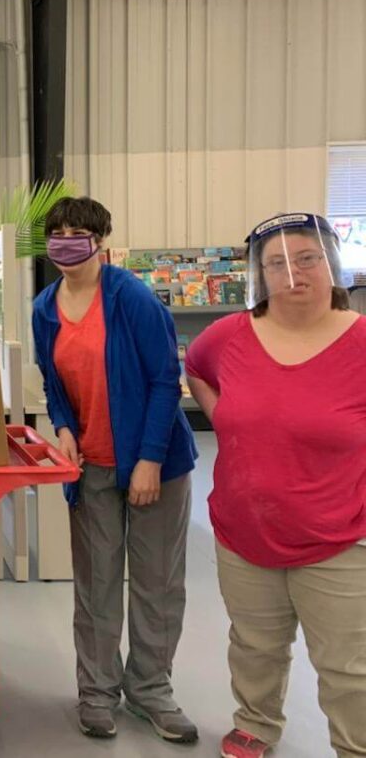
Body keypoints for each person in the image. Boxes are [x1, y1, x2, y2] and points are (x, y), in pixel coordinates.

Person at [185, 213, 365, 758]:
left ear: (331, 263)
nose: (294, 274)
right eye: (277, 263)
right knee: (255, 645)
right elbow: (195, 367)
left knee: (347, 664)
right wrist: (227, 419)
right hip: (244, 530)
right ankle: (256, 724)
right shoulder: (229, 336)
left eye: (308, 258)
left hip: (338, 536)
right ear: (259, 274)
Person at [31, 197, 198, 744]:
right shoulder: (44, 307)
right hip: (91, 467)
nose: (65, 241)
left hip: (156, 464)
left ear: (100, 240)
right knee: (96, 584)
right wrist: (62, 430)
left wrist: (149, 459)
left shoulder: (130, 297)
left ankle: (151, 690)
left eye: (77, 232)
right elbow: (53, 385)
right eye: (56, 232)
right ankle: (97, 693)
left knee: (156, 583)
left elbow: (162, 378)